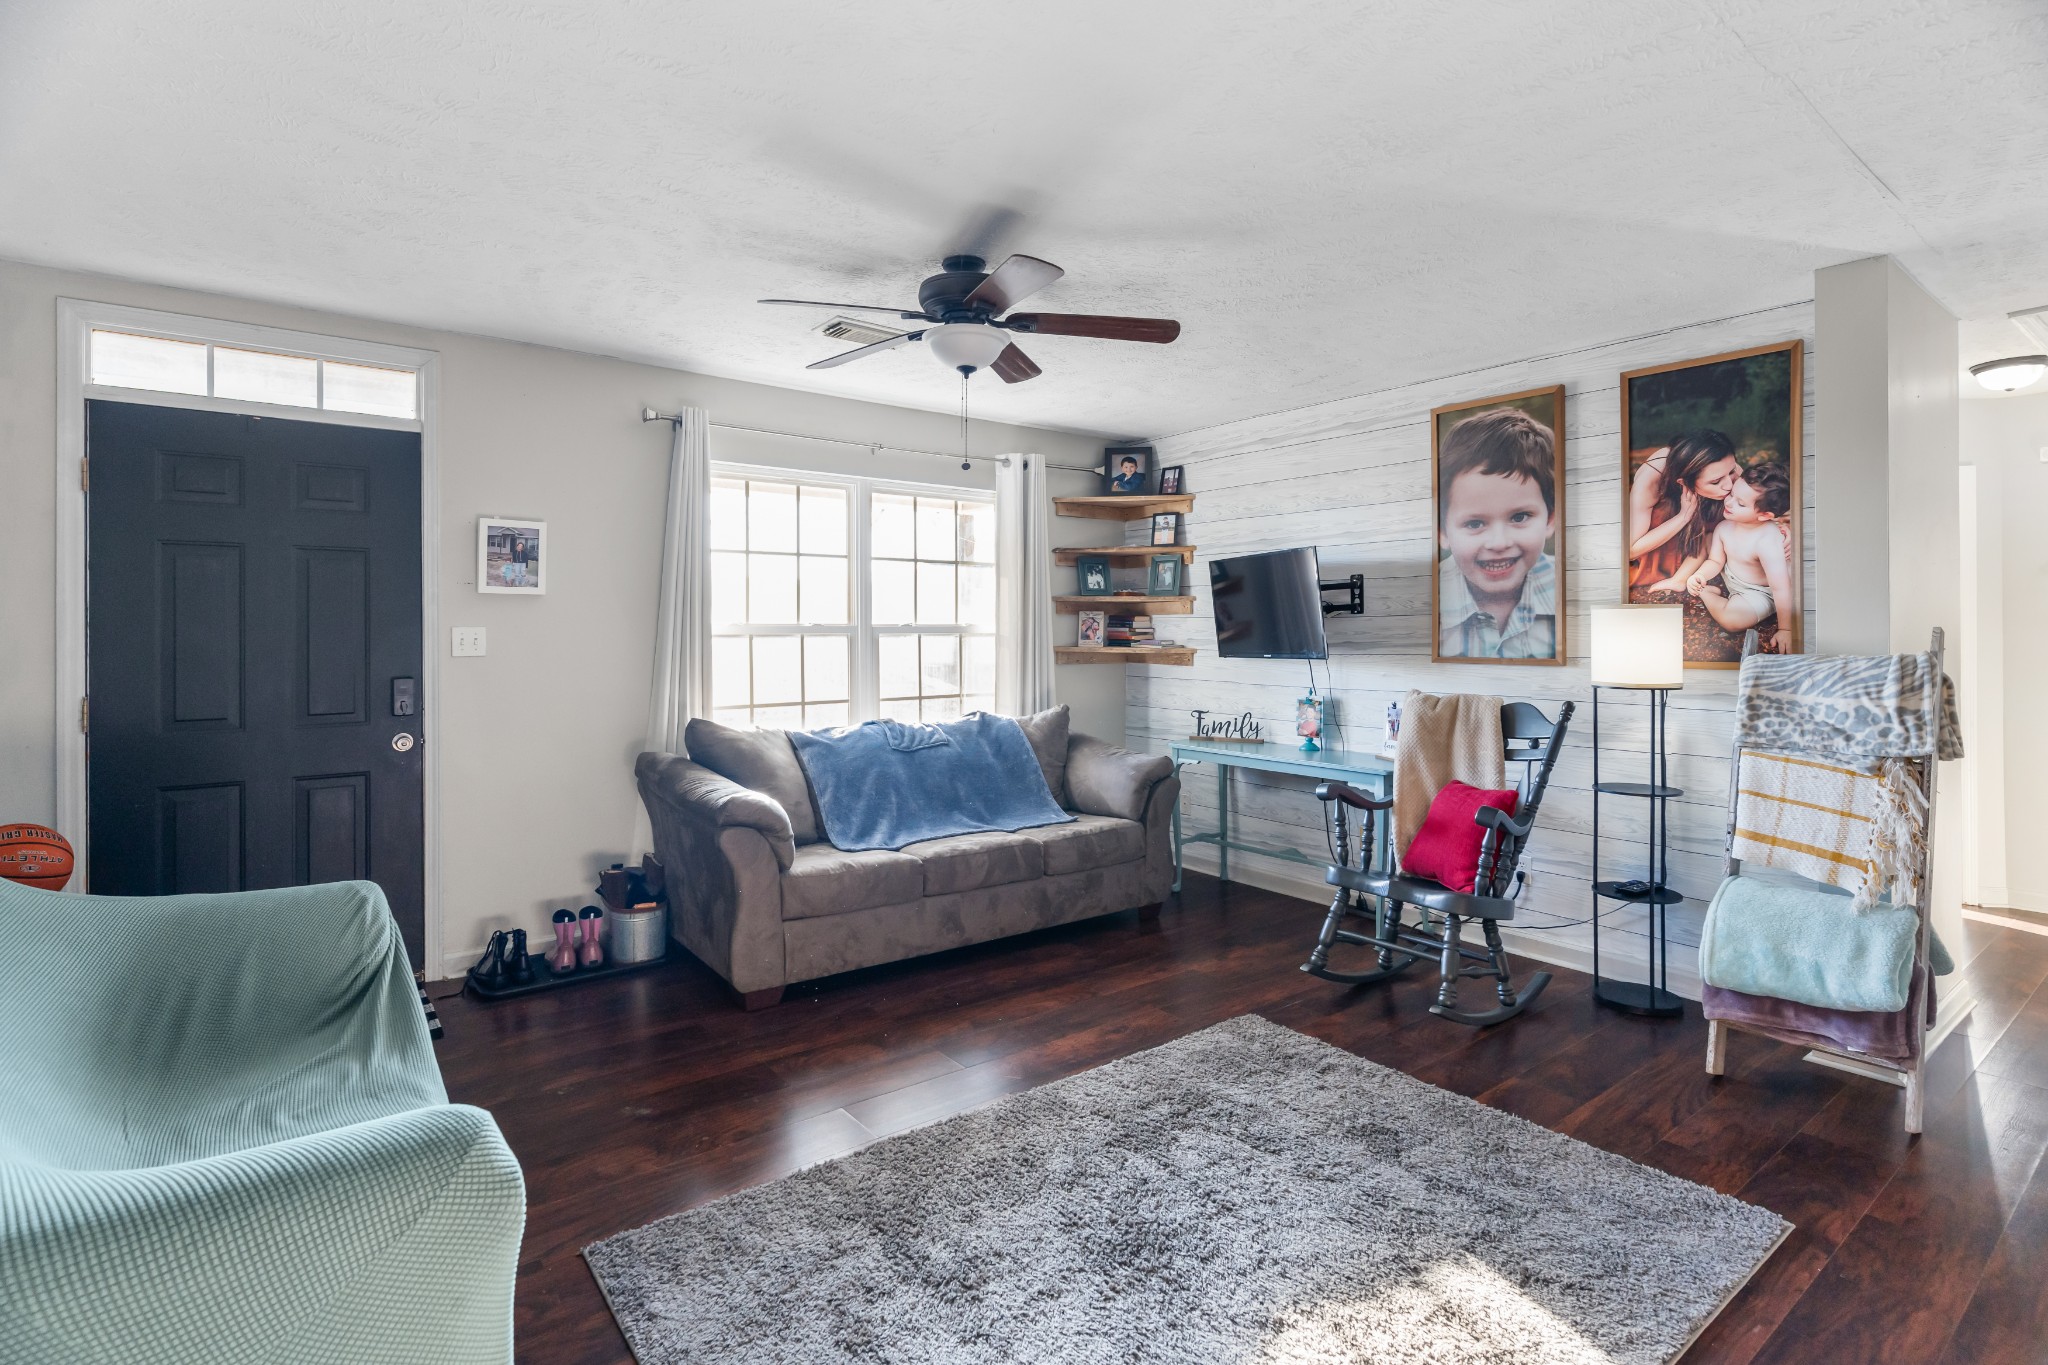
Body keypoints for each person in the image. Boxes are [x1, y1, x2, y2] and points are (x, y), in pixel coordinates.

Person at [1435, 406, 1558, 660]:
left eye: (1519, 517)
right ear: (1442, 531)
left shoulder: (1569, 595)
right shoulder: (1426, 608)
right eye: (1475, 524)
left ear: (1550, 519)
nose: (1499, 543)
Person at [1626, 430, 1741, 595]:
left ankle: (1681, 577)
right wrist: (1683, 516)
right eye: (1716, 482)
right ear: (1683, 483)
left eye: (1731, 472)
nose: (1729, 485)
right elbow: (1631, 549)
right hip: (1664, 528)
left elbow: (1753, 499)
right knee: (1664, 512)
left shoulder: (1721, 464)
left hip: (1703, 537)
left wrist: (1773, 528)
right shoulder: (1650, 481)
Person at [1686, 462, 1795, 632]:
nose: (1729, 503)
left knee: (1731, 620)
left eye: (1741, 504)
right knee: (1708, 542)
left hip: (1763, 591)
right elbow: (1715, 561)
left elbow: (1780, 588)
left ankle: (1706, 593)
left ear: (1765, 515)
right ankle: (1707, 589)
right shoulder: (1724, 528)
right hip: (1735, 579)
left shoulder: (1766, 540)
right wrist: (1700, 574)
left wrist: (1786, 630)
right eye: (1732, 494)